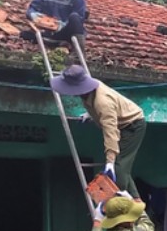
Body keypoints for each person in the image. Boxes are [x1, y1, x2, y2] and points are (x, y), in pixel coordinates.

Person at [49, 65, 146, 200]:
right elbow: (99, 109)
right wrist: (91, 114)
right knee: (122, 166)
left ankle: (121, 202)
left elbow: (110, 132)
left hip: (132, 125)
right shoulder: (88, 94)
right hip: (119, 121)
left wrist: (110, 161)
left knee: (118, 167)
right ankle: (136, 200)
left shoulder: (103, 102)